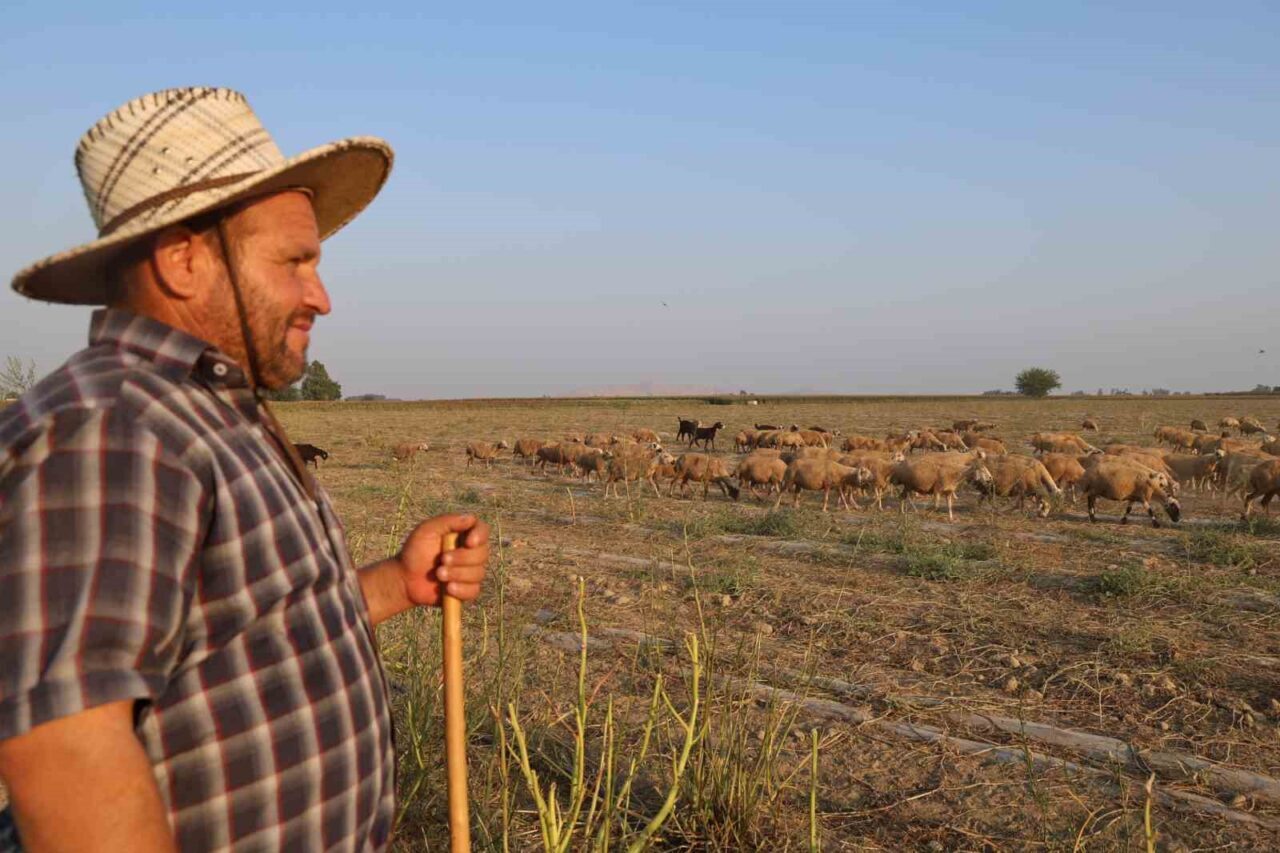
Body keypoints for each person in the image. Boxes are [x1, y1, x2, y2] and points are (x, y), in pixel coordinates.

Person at [0, 87, 490, 852]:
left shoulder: (209, 413)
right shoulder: (113, 429)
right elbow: (66, 752)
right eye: (295, 261)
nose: (320, 295)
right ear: (183, 259)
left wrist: (399, 580)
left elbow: (255, 631)